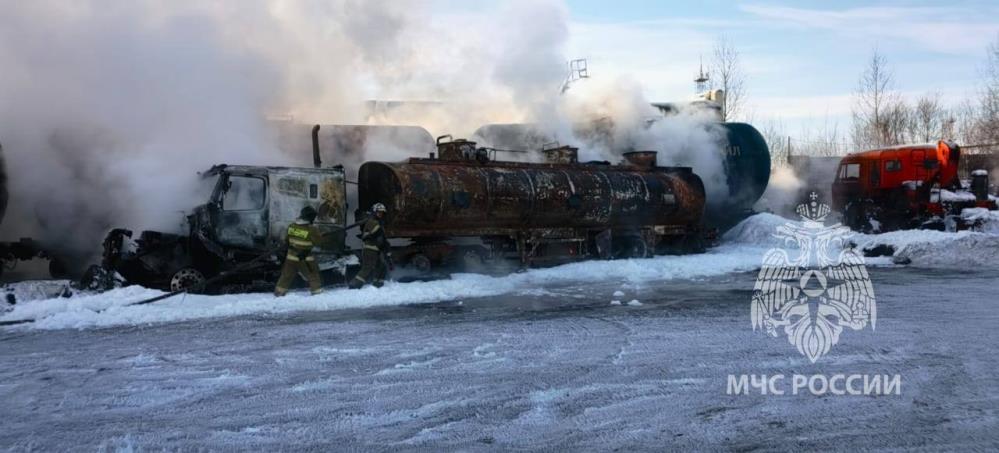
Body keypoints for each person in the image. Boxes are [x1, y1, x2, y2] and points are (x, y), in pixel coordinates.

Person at [274, 206, 324, 297]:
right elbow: (319, 242)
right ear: (310, 217)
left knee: (286, 276)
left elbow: (287, 240)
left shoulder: (291, 226)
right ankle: (317, 294)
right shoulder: (312, 229)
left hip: (291, 257)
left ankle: (279, 292)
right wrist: (319, 235)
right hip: (305, 258)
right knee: (313, 275)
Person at [349, 203, 391, 289]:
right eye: (378, 212)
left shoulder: (377, 223)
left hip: (376, 249)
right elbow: (379, 235)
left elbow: (381, 238)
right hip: (370, 249)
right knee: (368, 267)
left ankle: (378, 284)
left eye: (382, 213)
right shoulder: (372, 222)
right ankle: (355, 284)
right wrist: (385, 247)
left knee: (381, 266)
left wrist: (385, 248)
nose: (380, 214)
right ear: (374, 212)